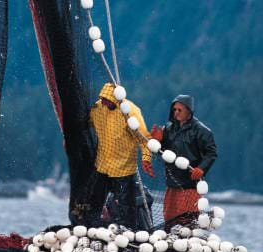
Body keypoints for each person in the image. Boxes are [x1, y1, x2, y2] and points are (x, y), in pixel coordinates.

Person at [86, 82, 154, 228]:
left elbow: (144, 140)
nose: (103, 102)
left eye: (106, 100)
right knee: (94, 199)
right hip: (102, 166)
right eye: (102, 99)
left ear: (115, 99)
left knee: (124, 204)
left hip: (123, 168)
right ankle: (92, 227)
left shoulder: (130, 113)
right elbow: (83, 124)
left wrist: (146, 159)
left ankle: (126, 229)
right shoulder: (97, 109)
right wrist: (71, 137)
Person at [151, 94, 217, 225]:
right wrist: (157, 141)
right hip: (172, 184)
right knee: (169, 220)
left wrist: (201, 169)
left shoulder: (202, 131)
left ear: (189, 111)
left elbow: (211, 153)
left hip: (190, 186)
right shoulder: (168, 129)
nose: (176, 113)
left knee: (187, 222)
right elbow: (163, 153)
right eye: (174, 110)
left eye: (179, 110)